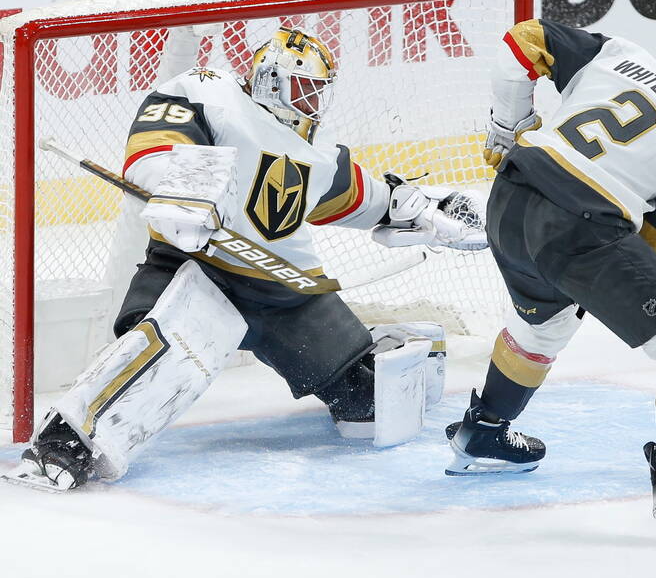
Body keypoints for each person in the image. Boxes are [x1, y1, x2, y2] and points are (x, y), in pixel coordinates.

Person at [3, 27, 487, 492]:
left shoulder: (318, 155)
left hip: (286, 292)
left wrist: (433, 212)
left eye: (318, 91)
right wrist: (183, 194)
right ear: (270, 81)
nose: (311, 101)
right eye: (302, 87)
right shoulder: (208, 94)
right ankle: (59, 448)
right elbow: (155, 146)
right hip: (199, 266)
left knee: (370, 404)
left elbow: (372, 200)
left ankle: (386, 348)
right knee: (163, 357)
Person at [445, 14, 656, 542]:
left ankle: (482, 431)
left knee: (543, 327)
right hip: (579, 228)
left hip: (511, 198)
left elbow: (522, 40)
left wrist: (508, 129)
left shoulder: (620, 53)